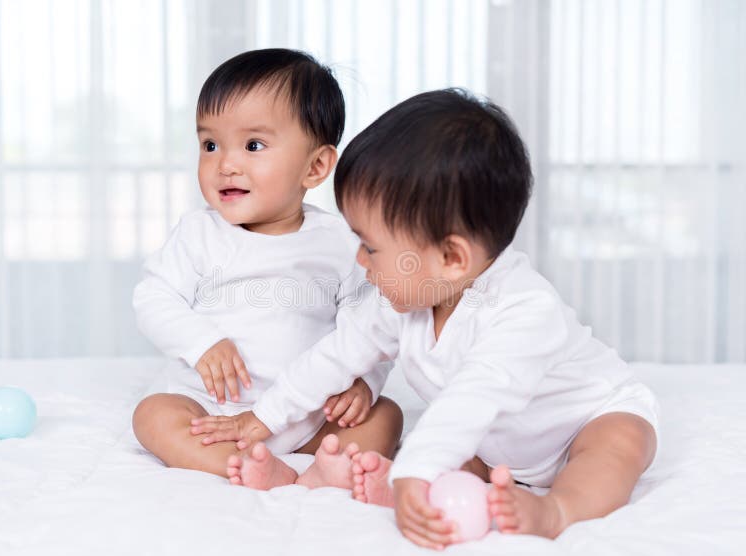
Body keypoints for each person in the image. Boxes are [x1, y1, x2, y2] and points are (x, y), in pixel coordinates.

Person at [202, 89, 660, 548]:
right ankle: (386, 487)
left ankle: (558, 509)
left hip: (587, 421)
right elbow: (335, 354)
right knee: (457, 460)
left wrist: (415, 471)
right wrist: (263, 418)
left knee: (617, 446)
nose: (360, 260)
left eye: (372, 247)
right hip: (495, 443)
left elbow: (472, 399)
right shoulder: (405, 297)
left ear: (451, 257)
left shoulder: (525, 311)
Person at [131, 48, 403, 489]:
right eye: (210, 144)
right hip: (210, 407)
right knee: (153, 417)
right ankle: (243, 467)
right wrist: (202, 343)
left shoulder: (340, 243)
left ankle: (320, 470)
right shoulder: (199, 232)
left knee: (385, 414)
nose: (226, 163)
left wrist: (363, 384)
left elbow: (372, 326)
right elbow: (153, 298)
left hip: (307, 410)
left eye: (253, 145)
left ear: (315, 167)